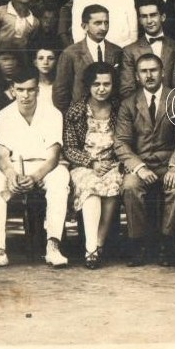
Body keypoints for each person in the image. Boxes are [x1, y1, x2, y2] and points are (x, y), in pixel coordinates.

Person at [0, 68, 70, 271]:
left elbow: (53, 157)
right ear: (12, 90)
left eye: (30, 90)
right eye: (20, 90)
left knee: (60, 182)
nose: (25, 95)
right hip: (15, 166)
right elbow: (2, 156)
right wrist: (11, 176)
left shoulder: (53, 114)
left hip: (46, 167)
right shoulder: (3, 115)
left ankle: (53, 246)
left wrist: (35, 177)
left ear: (38, 90)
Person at [114, 53, 175, 267]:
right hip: (141, 164)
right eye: (144, 71)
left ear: (163, 72)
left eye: (153, 70)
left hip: (168, 164)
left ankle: (167, 242)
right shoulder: (129, 104)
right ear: (137, 76)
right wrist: (138, 167)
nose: (149, 75)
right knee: (130, 187)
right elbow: (121, 142)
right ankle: (138, 244)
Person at [63, 62, 123, 269]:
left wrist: (112, 163)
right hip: (85, 164)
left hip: (113, 163)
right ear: (88, 85)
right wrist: (91, 162)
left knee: (113, 186)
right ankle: (90, 248)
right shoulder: (76, 110)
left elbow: (125, 140)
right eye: (96, 84)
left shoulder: (118, 108)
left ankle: (98, 244)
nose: (101, 89)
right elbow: (69, 148)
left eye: (106, 84)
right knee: (91, 188)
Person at [53, 4, 122, 111]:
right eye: (97, 23)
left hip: (112, 115)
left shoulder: (117, 51)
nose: (103, 28)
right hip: (80, 117)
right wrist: (71, 118)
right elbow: (60, 93)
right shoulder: (70, 53)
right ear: (84, 26)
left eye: (106, 23)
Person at [119, 0, 175, 98]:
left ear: (162, 17)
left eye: (153, 15)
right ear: (140, 20)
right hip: (140, 109)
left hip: (171, 105)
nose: (149, 21)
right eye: (144, 16)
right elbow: (127, 89)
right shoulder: (129, 51)